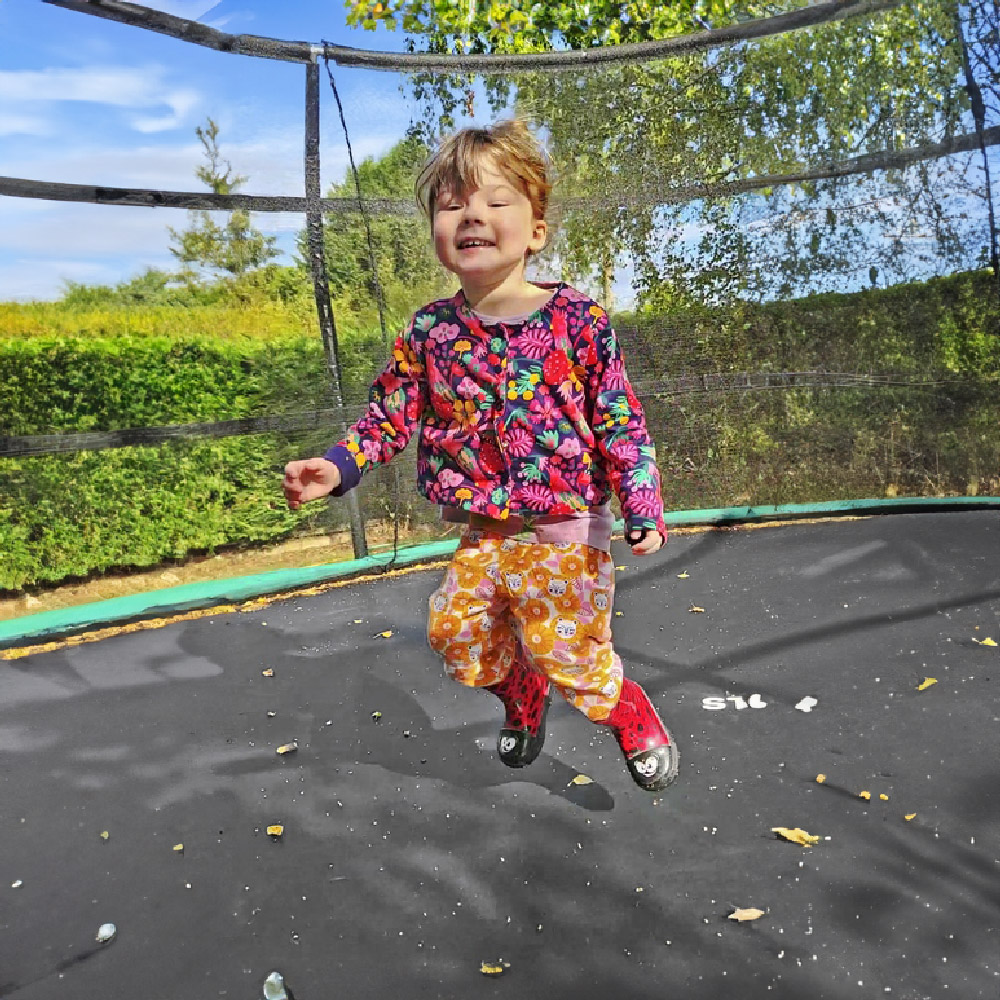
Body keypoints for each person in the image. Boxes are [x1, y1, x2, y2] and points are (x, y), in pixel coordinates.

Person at [283, 120, 678, 792]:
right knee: (456, 636)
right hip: (485, 532)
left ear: (536, 231)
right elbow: (391, 412)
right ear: (437, 233)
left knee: (570, 656)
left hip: (564, 532)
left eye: (495, 201)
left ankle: (627, 711)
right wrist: (340, 464)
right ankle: (522, 692)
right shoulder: (430, 331)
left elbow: (619, 417)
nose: (471, 215)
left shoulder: (578, 320)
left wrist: (642, 503)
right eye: (452, 205)